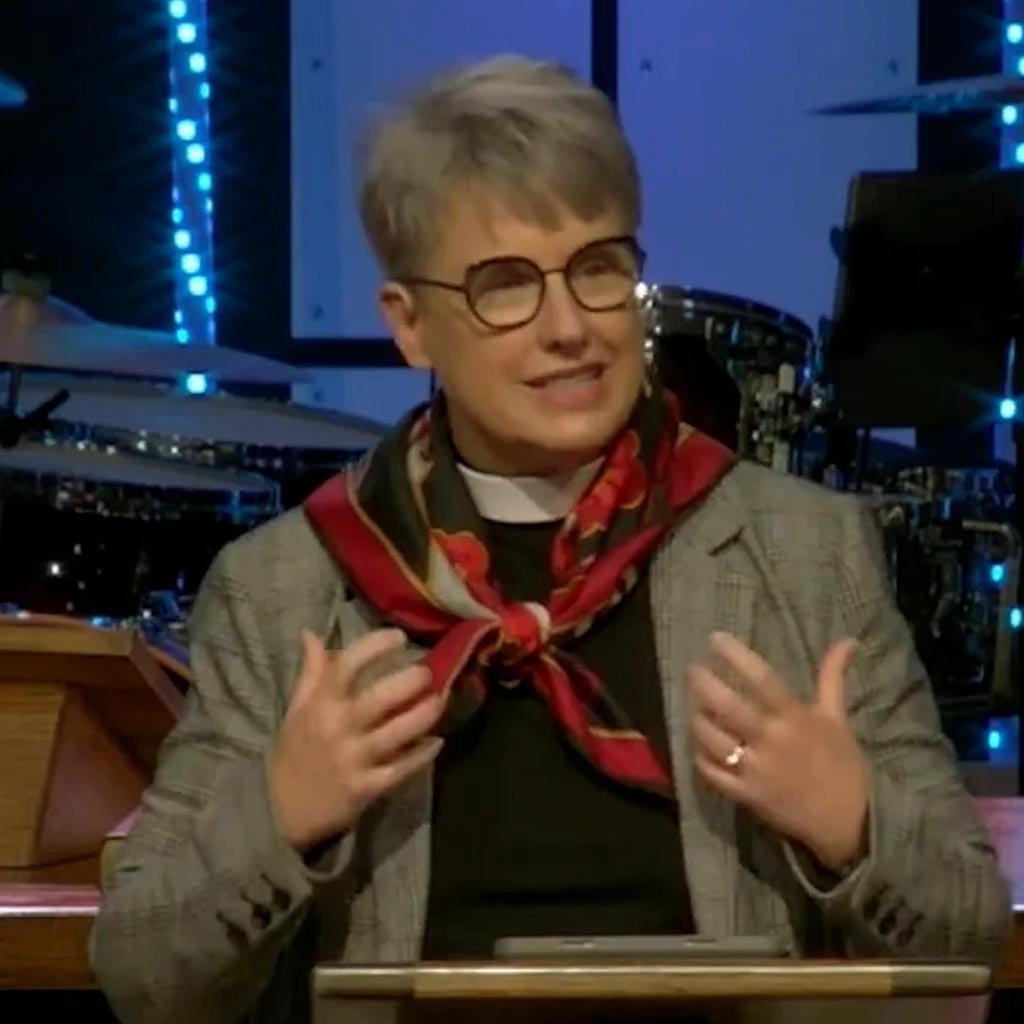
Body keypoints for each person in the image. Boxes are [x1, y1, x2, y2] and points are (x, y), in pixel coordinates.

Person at [90, 55, 1012, 1024]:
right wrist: (281, 816)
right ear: (410, 324)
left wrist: (853, 823)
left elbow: (969, 938)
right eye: (505, 285)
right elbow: (147, 979)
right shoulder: (287, 586)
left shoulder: (805, 553)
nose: (568, 326)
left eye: (597, 268)